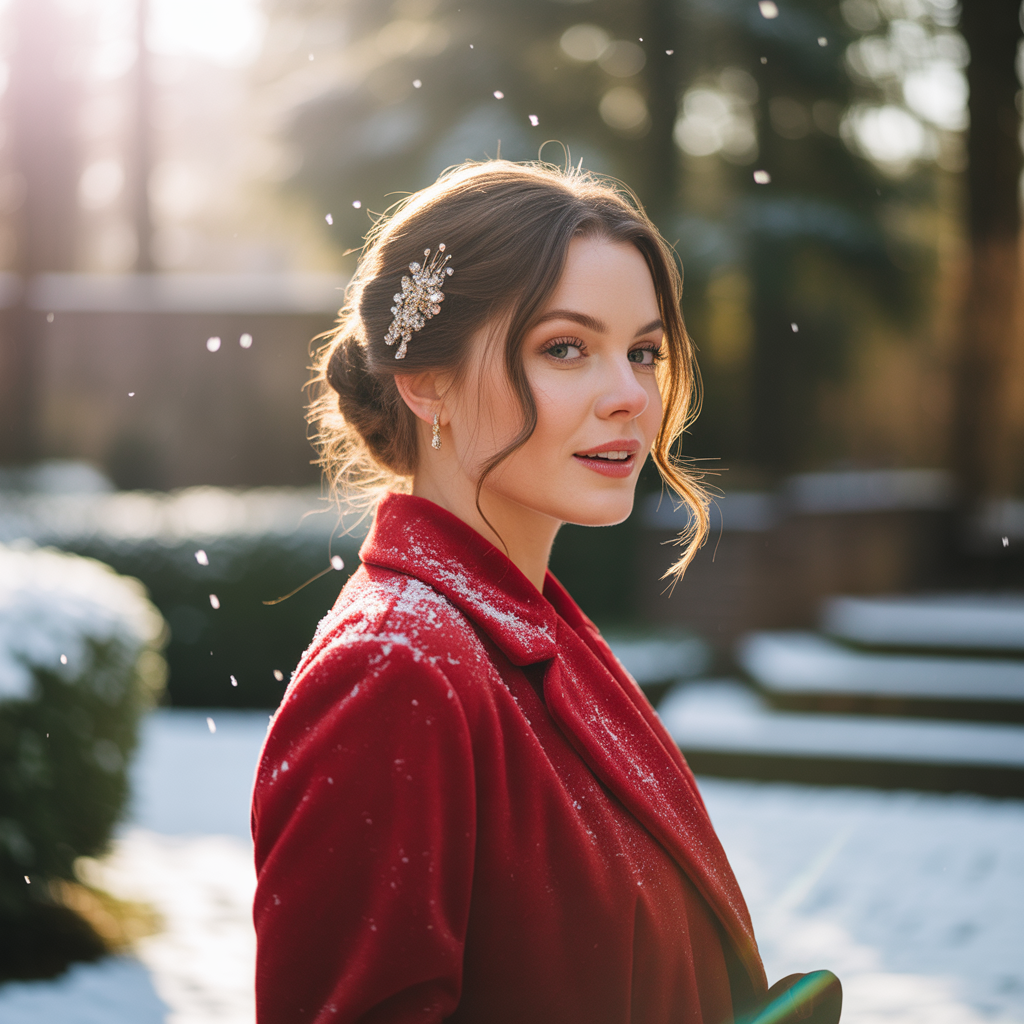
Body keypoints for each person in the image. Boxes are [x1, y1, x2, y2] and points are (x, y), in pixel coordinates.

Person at [251, 160, 840, 1024]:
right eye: (566, 348)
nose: (631, 396)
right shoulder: (396, 673)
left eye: (643, 352)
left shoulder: (530, 634)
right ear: (425, 381)